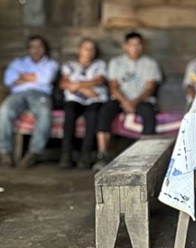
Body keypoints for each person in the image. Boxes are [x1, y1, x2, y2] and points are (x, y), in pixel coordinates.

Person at [93, 32, 162, 170]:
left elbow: (150, 88)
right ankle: (102, 154)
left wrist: (134, 102)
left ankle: (146, 156)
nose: (135, 48)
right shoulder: (116, 62)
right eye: (131, 45)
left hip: (142, 99)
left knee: (149, 114)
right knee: (105, 111)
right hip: (120, 99)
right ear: (125, 46)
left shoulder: (150, 63)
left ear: (142, 47)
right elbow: (113, 87)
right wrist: (125, 101)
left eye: (138, 45)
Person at [0, 35, 59, 169]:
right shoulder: (18, 62)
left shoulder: (51, 64)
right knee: (4, 110)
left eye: (39, 46)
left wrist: (21, 76)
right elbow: (8, 80)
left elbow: (45, 79)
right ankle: (5, 152)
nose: (36, 50)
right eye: (33, 47)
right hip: (18, 94)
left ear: (44, 48)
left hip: (40, 94)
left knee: (44, 112)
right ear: (28, 49)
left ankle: (34, 152)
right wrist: (34, 77)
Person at [58, 39, 108, 170]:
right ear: (78, 50)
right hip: (75, 99)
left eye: (92, 48)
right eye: (85, 48)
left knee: (92, 115)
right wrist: (84, 88)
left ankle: (85, 156)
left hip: (94, 100)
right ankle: (66, 155)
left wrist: (78, 85)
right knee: (69, 113)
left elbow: (100, 80)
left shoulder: (99, 64)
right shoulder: (69, 65)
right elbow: (63, 83)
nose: (88, 51)